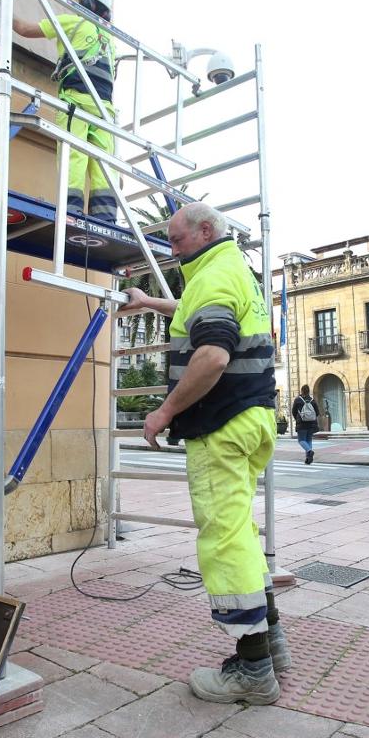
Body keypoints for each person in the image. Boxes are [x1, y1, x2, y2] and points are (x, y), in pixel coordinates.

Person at [122, 202, 287, 706]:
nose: (171, 251)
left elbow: (212, 354)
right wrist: (152, 302)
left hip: (221, 422)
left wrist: (164, 412)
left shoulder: (215, 276)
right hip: (251, 418)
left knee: (223, 539)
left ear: (206, 230)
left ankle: (254, 669)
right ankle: (271, 642)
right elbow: (198, 311)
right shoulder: (230, 270)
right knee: (241, 532)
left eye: (175, 241)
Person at [13, 0, 118, 223]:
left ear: (87, 5)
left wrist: (4, 5)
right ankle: (106, 217)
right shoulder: (110, 39)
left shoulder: (73, 23)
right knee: (104, 163)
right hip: (104, 110)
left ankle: (71, 210)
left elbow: (24, 30)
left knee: (74, 155)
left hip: (77, 101)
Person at [292, 385, 319, 464]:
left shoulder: (298, 400)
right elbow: (317, 412)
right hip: (311, 424)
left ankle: (309, 451)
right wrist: (311, 418)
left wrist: (298, 419)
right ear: (308, 391)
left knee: (301, 440)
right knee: (309, 440)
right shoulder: (313, 400)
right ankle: (308, 459)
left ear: (302, 391)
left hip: (301, 424)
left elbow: (293, 411)